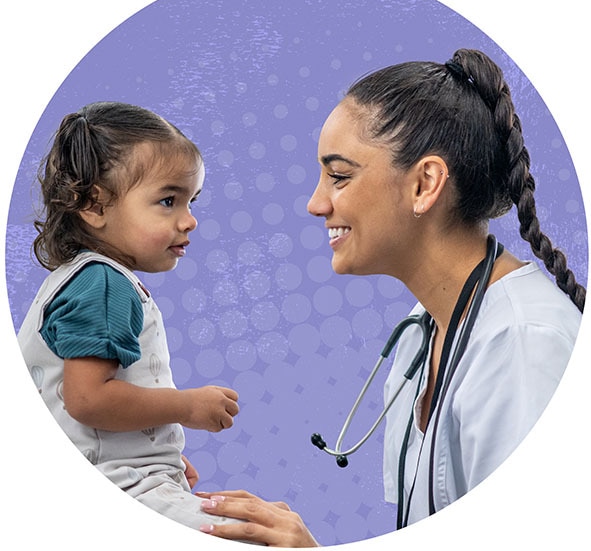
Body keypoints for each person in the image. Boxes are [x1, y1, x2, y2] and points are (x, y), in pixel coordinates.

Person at [195, 48, 585, 546]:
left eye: (339, 175)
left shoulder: (526, 345)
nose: (316, 204)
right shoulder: (421, 335)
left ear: (425, 184)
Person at [17, 101, 245, 533]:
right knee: (252, 534)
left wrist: (154, 448)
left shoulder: (81, 279)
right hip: (122, 487)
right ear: (94, 206)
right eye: (168, 200)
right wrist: (187, 407)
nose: (190, 220)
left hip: (122, 475)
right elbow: (87, 400)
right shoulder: (104, 285)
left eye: (191, 201)